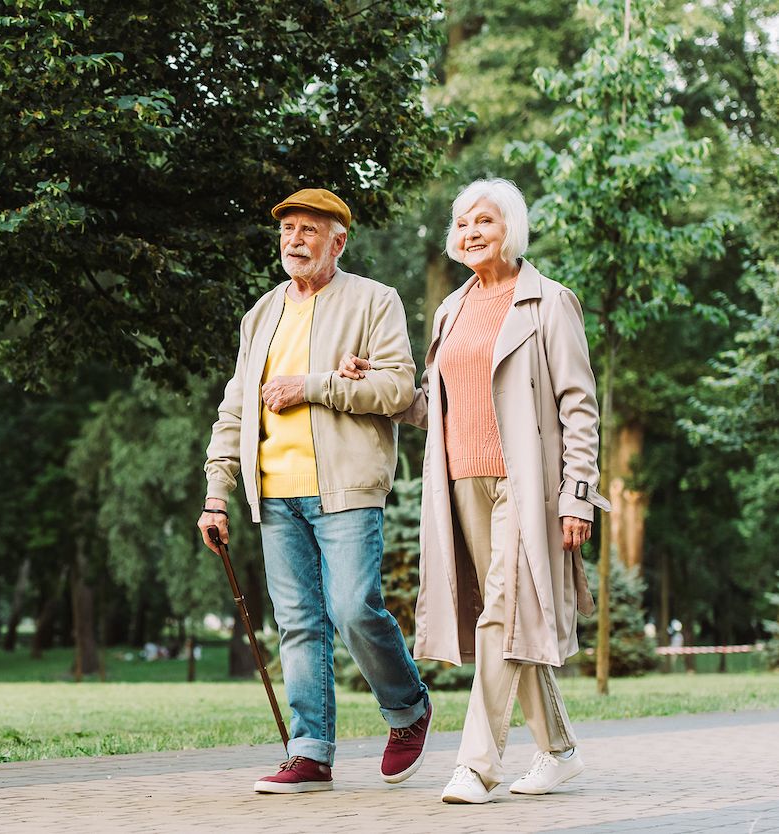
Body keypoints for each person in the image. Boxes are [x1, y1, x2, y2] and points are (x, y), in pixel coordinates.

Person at [339, 178, 611, 803]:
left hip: (527, 484)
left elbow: (579, 404)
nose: (470, 232)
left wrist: (577, 493)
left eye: (484, 221)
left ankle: (476, 766)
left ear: (509, 227)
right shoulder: (451, 309)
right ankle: (560, 751)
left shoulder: (548, 302)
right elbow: (434, 404)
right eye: (462, 223)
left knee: (498, 613)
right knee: (510, 614)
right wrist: (376, 384)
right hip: (462, 482)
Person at [198, 187, 432, 794]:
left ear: (339, 241)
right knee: (299, 623)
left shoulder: (374, 301)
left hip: (348, 487)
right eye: (287, 230)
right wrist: (216, 492)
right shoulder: (261, 314)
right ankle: (310, 752)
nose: (294, 240)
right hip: (274, 493)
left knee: (353, 608)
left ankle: (407, 709)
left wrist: (316, 385)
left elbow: (399, 394)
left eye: (308, 229)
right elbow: (234, 410)